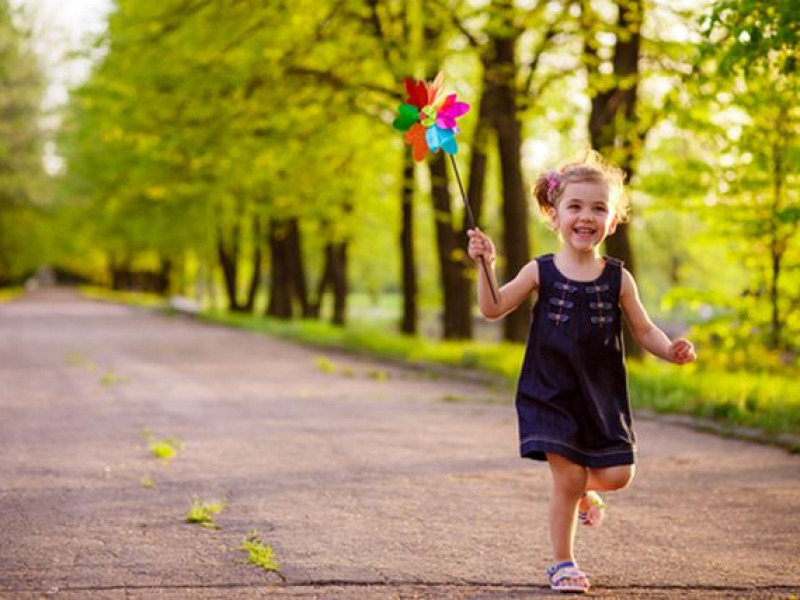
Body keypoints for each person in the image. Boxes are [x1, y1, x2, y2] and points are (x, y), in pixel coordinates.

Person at [466, 150, 696, 593]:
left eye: (598, 208)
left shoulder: (617, 278)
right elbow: (493, 307)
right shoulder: (541, 271)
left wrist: (672, 350)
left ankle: (578, 491)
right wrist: (485, 264)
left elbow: (644, 330)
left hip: (601, 394)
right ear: (555, 216)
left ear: (613, 222)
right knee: (567, 475)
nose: (585, 216)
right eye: (575, 206)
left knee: (618, 475)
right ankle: (562, 562)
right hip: (549, 391)